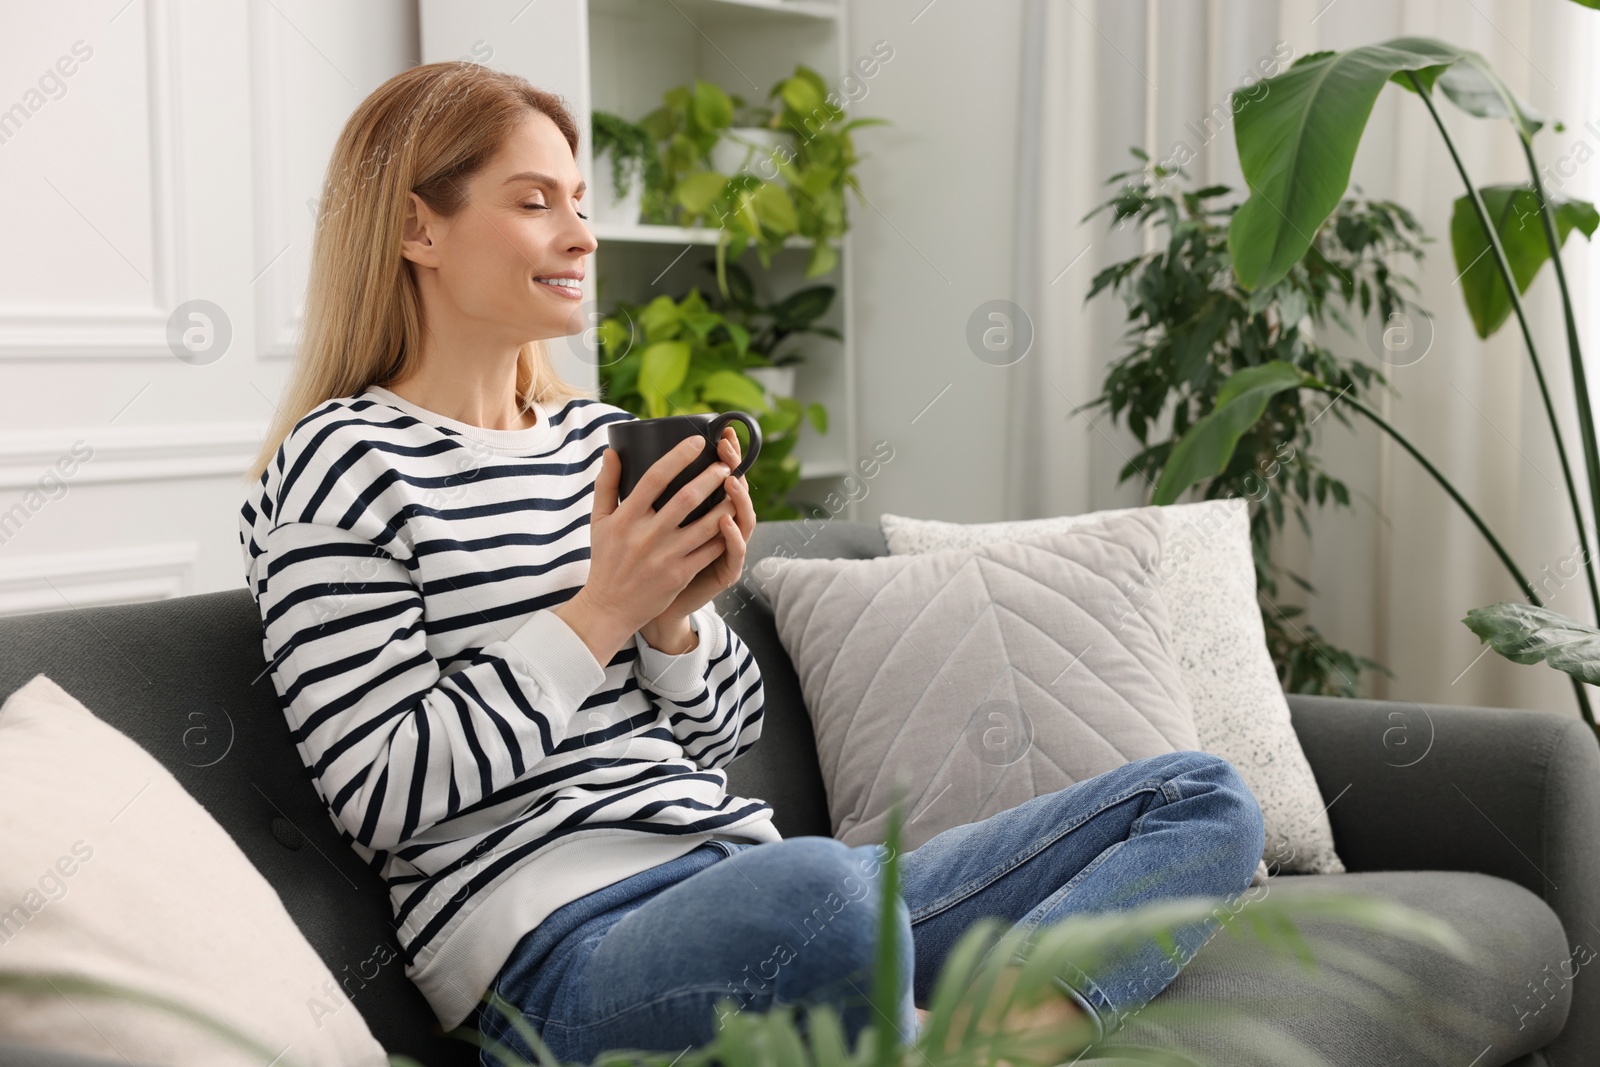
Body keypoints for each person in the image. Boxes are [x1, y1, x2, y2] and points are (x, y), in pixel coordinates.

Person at [241, 61, 1265, 1066]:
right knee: (822, 893)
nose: (581, 234)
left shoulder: (600, 439)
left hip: (757, 876)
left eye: (580, 201)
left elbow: (724, 734)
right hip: (562, 950)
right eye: (534, 201)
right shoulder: (342, 463)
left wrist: (675, 621)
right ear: (419, 226)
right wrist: (602, 608)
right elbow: (383, 791)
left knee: (1199, 797)